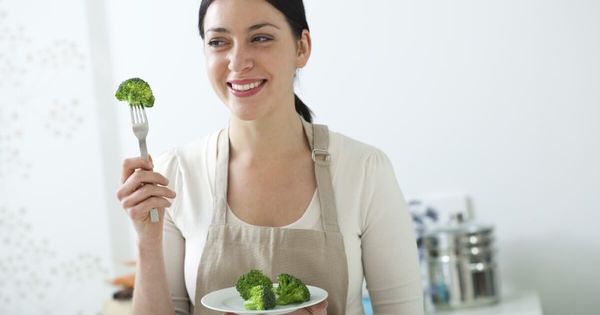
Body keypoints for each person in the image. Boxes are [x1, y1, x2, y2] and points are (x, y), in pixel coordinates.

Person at [116, 0, 424, 314]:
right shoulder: (175, 174)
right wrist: (146, 241)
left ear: (301, 48)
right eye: (219, 42)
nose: (237, 62)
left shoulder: (364, 170)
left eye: (260, 38)